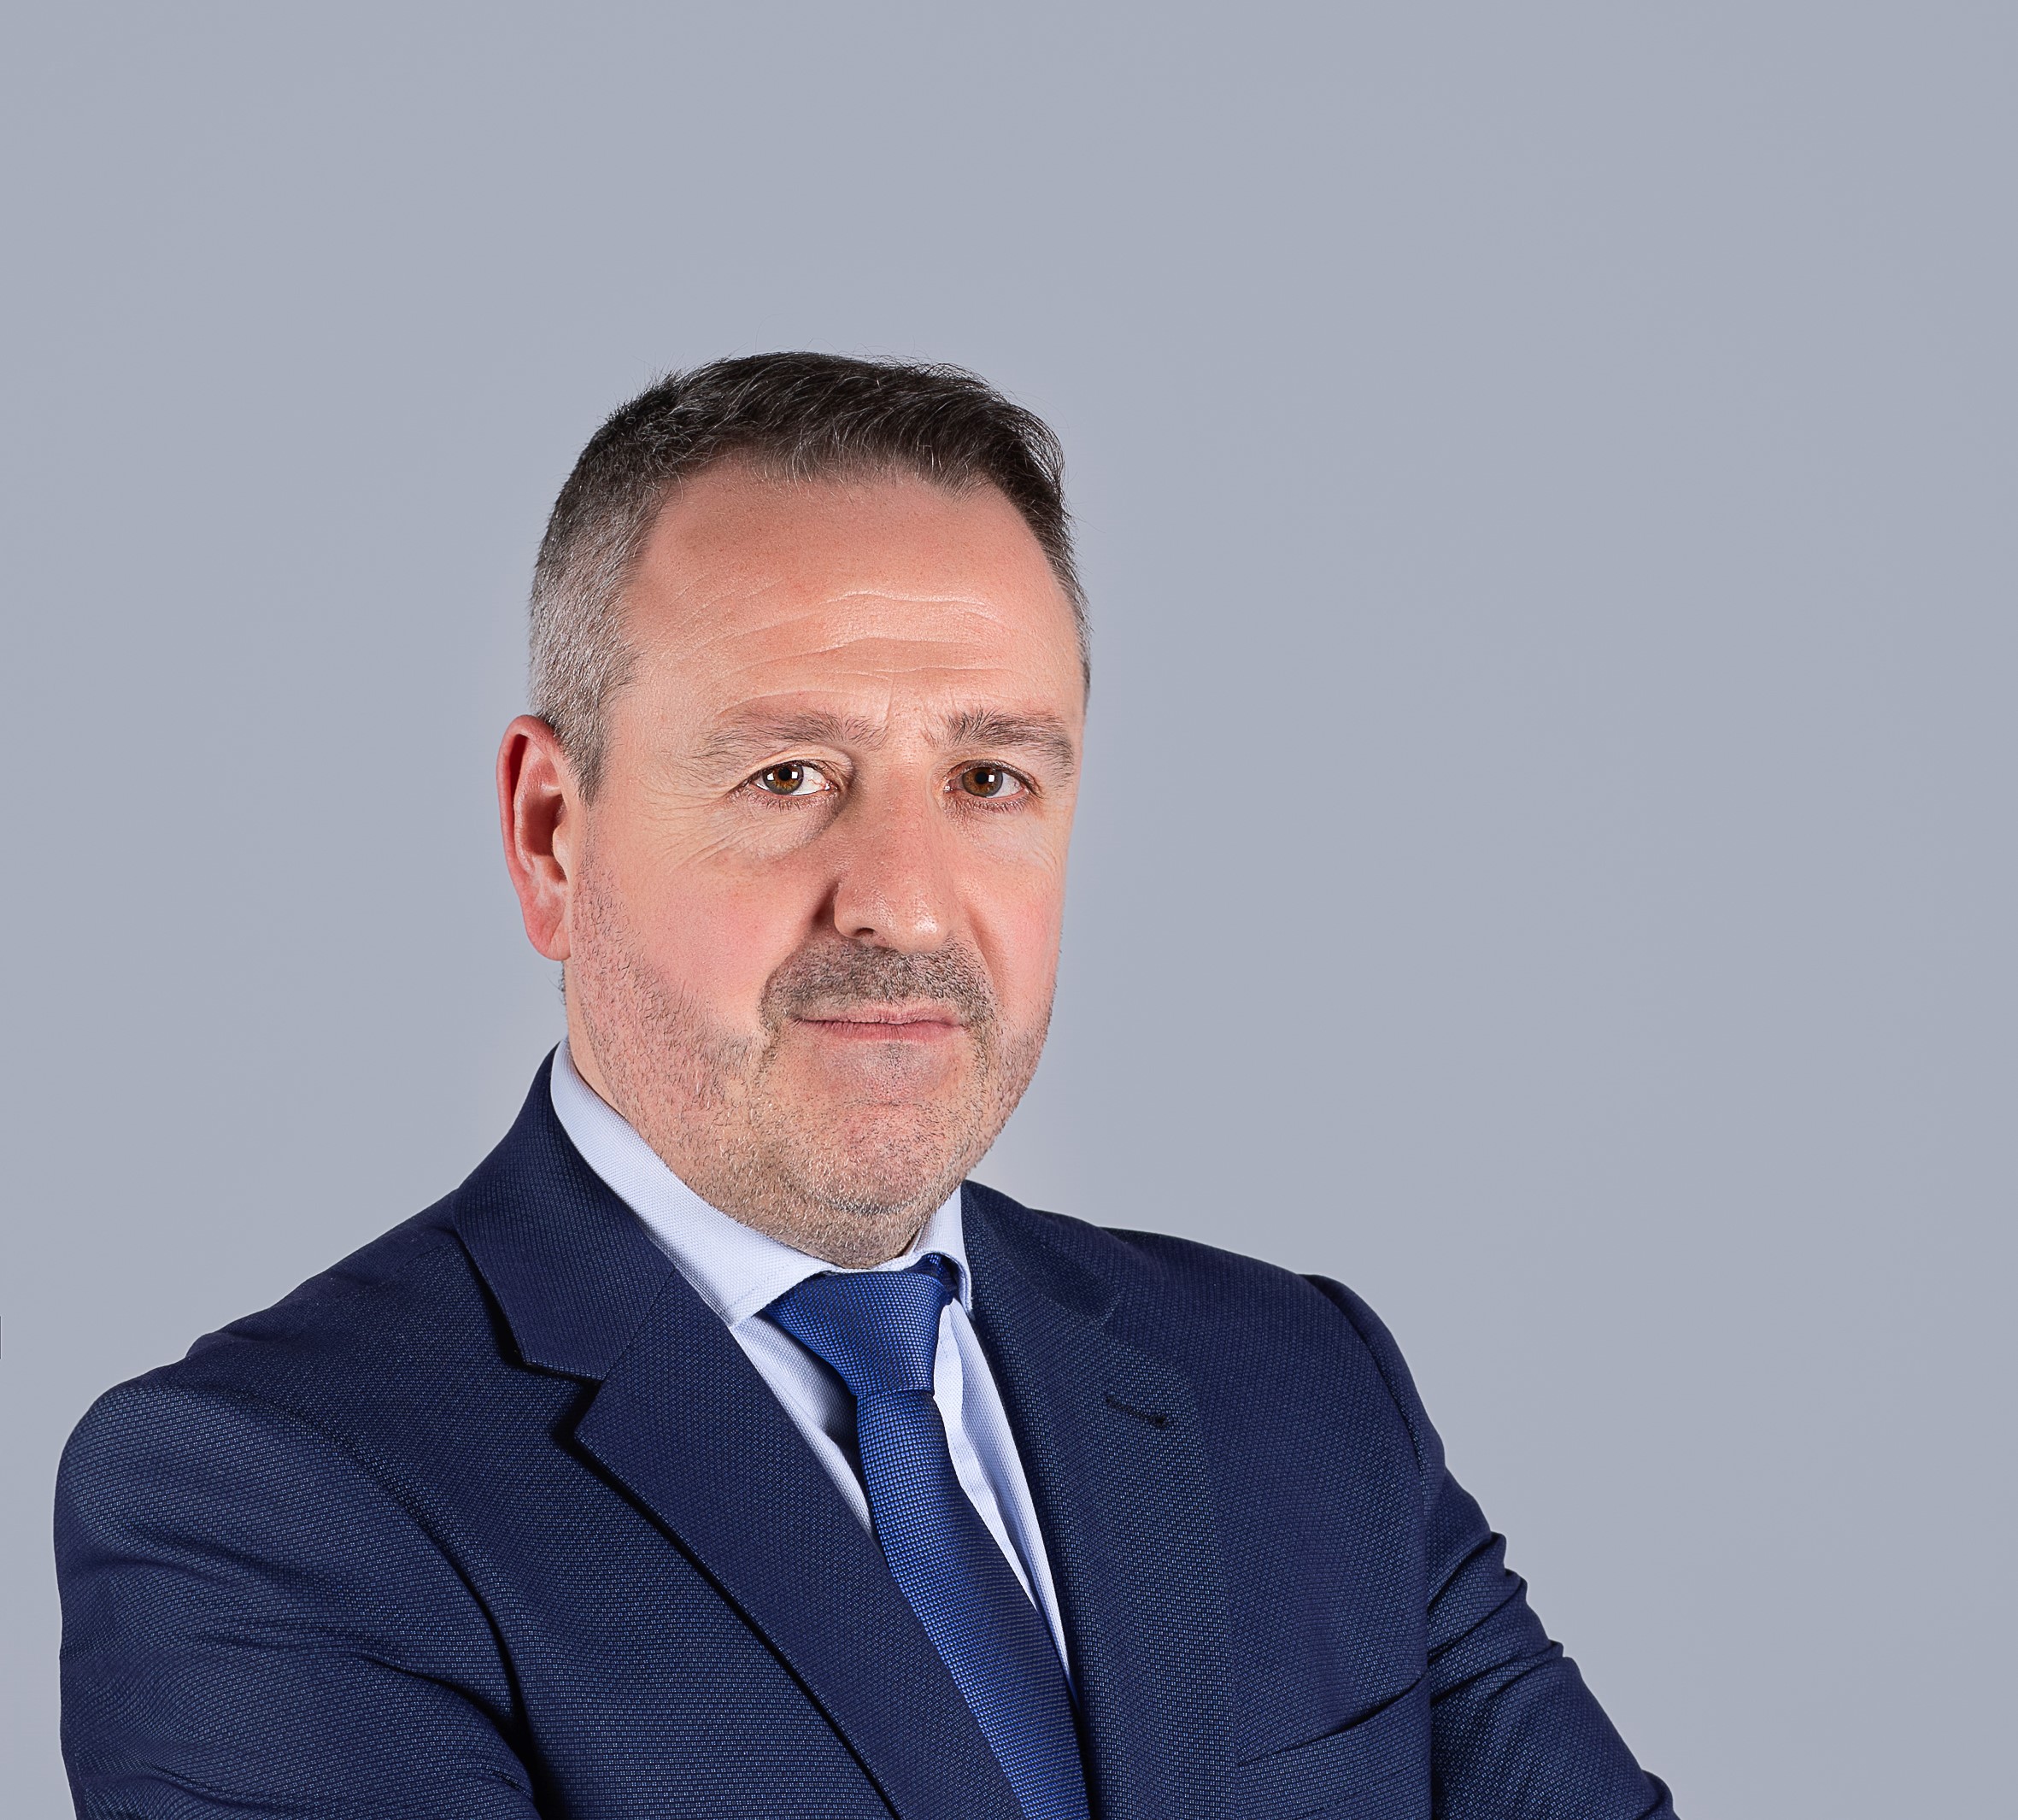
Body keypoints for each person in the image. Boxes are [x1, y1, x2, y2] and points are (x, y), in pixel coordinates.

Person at [56, 353, 1677, 1819]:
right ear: (551, 833)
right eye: (789, 775)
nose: (902, 900)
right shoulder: (273, 1499)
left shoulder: (1299, 1390)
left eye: (988, 777)